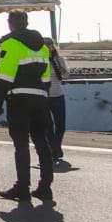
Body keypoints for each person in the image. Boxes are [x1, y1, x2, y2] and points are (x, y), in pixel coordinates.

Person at [0, 11, 55, 203]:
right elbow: (46, 78)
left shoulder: (11, 43)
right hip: (40, 98)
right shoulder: (42, 46)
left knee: (21, 144)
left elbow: (5, 76)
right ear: (26, 23)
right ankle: (45, 187)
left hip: (19, 99)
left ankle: (22, 187)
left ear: (10, 23)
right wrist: (43, 97)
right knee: (42, 142)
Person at [46, 36, 69, 164]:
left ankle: (56, 146)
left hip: (58, 94)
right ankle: (53, 149)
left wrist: (62, 70)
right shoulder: (40, 60)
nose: (47, 46)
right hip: (45, 96)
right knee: (48, 125)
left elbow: (66, 74)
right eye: (44, 44)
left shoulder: (59, 59)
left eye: (49, 44)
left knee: (61, 125)